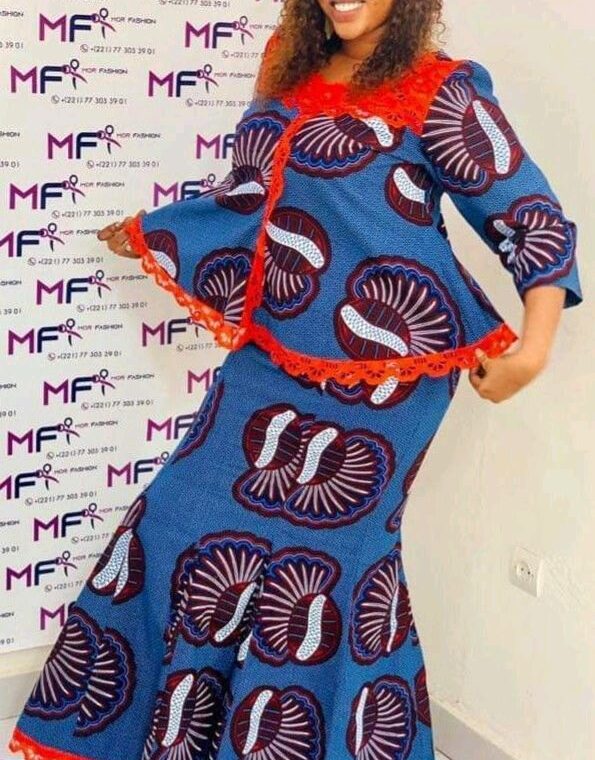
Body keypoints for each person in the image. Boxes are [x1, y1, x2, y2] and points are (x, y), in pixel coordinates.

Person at [8, 2, 582, 759]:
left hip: (390, 377)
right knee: (174, 524)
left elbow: (533, 219)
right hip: (274, 351)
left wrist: (533, 351)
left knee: (319, 579)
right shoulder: (287, 63)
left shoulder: (439, 89)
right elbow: (251, 200)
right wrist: (159, 232)